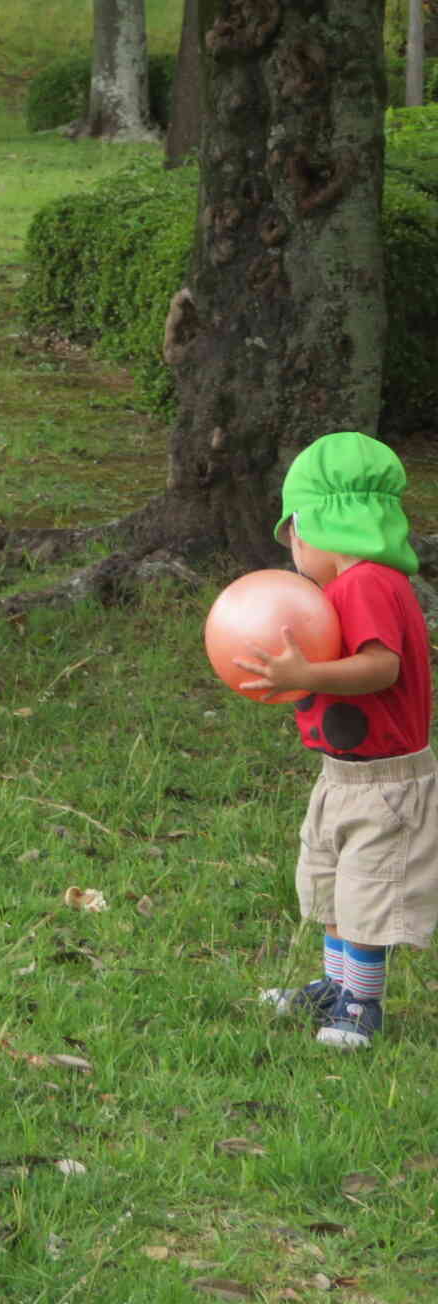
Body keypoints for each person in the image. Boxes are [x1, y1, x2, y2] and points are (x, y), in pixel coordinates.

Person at [242, 433, 435, 1051]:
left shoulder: (369, 582)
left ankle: (362, 1003)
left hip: (385, 783)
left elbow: (382, 668)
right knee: (330, 882)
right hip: (345, 773)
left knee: (368, 893)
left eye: (294, 531)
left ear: (328, 520)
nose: (294, 549)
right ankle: (334, 983)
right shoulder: (341, 590)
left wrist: (307, 677)